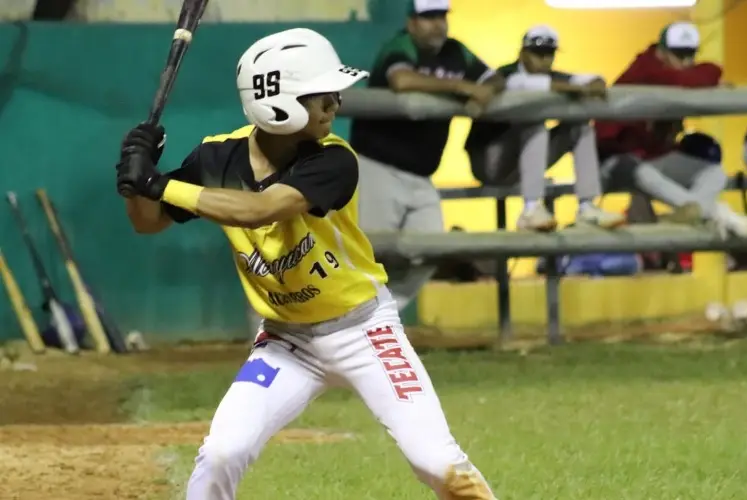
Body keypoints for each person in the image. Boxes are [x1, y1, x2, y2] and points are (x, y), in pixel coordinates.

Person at [115, 28, 497, 500]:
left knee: (436, 462)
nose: (335, 103)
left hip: (363, 331)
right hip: (285, 342)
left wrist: (159, 184)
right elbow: (147, 223)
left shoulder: (335, 159)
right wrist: (134, 181)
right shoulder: (216, 157)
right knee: (221, 453)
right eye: (321, 96)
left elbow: (261, 208)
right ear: (279, 104)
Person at [349, 0, 504, 310]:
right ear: (412, 23)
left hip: (420, 175)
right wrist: (463, 87)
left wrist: (485, 91)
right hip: (377, 167)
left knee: (432, 247)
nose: (437, 24)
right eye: (428, 17)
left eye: (441, 16)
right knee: (365, 254)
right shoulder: (400, 44)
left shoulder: (456, 51)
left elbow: (494, 79)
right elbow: (402, 80)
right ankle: (334, 327)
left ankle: (378, 319)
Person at [465, 25, 625, 232]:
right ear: (523, 53)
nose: (544, 60)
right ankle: (531, 210)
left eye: (549, 54)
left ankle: (587, 207)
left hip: (520, 164)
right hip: (489, 163)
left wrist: (595, 83)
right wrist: (579, 89)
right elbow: (529, 85)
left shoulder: (552, 77)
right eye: (537, 53)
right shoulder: (504, 75)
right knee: (534, 121)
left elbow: (591, 79)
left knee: (579, 124)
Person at [596, 21, 747, 236]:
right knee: (638, 169)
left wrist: (704, 80)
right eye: (679, 55)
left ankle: (691, 215)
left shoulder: (674, 73)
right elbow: (694, 76)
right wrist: (707, 81)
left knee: (714, 172)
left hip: (651, 157)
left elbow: (698, 75)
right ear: (661, 52)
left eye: (690, 55)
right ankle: (712, 214)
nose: (686, 61)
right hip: (612, 163)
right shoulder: (646, 67)